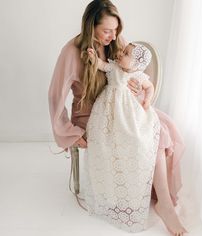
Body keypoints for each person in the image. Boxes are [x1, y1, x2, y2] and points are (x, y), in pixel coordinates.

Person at [48, 0, 188, 235]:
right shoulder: (71, 51)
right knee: (142, 134)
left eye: (116, 30)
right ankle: (149, 197)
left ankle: (162, 200)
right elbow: (55, 95)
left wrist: (137, 87)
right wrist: (69, 132)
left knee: (160, 126)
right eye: (107, 30)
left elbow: (132, 71)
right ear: (91, 26)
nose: (113, 37)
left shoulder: (115, 42)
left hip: (121, 109)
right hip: (91, 115)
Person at [83, 42, 161, 232]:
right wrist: (94, 58)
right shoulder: (114, 67)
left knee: (135, 137)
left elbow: (149, 87)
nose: (121, 54)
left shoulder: (137, 75)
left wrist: (146, 102)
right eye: (124, 51)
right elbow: (101, 65)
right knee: (104, 139)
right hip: (107, 110)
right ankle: (106, 191)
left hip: (126, 112)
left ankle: (128, 190)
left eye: (126, 54)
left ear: (136, 63)